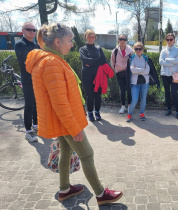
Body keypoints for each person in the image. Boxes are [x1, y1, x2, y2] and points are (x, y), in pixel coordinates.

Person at [26, 23, 123, 205]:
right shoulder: (51, 63)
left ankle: (64, 189)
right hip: (66, 121)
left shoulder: (51, 59)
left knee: (66, 151)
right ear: (57, 41)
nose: (72, 44)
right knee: (87, 154)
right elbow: (60, 103)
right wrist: (74, 128)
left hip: (61, 120)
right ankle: (101, 194)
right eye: (70, 40)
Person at [15, 22, 40, 142]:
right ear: (23, 30)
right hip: (27, 80)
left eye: (34, 30)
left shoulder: (36, 44)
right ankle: (28, 131)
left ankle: (36, 126)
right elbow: (28, 62)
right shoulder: (20, 44)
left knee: (37, 104)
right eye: (29, 29)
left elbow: (40, 61)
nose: (32, 31)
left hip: (37, 79)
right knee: (29, 104)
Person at [126, 42, 159, 122]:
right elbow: (132, 70)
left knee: (143, 99)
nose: (138, 50)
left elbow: (147, 71)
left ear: (142, 49)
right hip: (135, 83)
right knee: (134, 100)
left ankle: (142, 114)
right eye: (136, 49)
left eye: (139, 49)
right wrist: (142, 69)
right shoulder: (132, 58)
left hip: (145, 83)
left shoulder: (146, 58)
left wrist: (137, 69)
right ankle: (129, 114)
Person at [79, 30, 108, 121]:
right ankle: (90, 113)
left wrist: (91, 62)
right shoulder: (82, 49)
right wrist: (97, 60)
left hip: (98, 75)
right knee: (89, 95)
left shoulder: (99, 49)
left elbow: (104, 60)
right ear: (86, 37)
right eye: (89, 36)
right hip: (87, 75)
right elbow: (85, 60)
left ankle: (97, 112)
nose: (91, 38)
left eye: (93, 37)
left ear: (95, 38)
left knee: (97, 95)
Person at [159, 33, 178, 119]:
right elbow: (160, 62)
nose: (169, 41)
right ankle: (169, 109)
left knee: (174, 93)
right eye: (167, 39)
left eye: (171, 39)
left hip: (174, 75)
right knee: (167, 93)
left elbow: (177, 61)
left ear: (174, 40)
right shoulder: (163, 51)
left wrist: (166, 60)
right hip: (165, 74)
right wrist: (171, 62)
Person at [110, 34, 134, 114]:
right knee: (122, 90)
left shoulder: (130, 50)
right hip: (119, 73)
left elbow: (134, 61)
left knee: (129, 89)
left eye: (124, 39)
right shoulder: (115, 50)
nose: (122, 41)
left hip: (128, 72)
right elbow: (112, 61)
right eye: (120, 39)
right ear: (118, 40)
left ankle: (130, 105)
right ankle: (123, 106)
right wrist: (116, 70)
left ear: (126, 40)